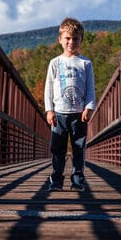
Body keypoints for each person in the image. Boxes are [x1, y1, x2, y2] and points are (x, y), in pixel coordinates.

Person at [44, 17, 96, 192]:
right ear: (60, 39)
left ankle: (78, 180)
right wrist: (49, 110)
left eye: (75, 38)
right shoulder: (55, 63)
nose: (71, 42)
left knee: (79, 149)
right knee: (57, 149)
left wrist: (89, 108)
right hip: (59, 113)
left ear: (81, 39)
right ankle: (56, 180)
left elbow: (90, 89)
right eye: (67, 38)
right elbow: (48, 89)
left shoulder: (85, 63)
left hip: (78, 114)